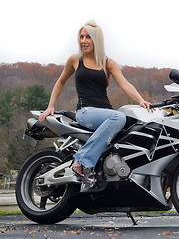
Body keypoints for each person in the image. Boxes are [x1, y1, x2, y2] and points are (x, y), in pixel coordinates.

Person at [39, 20, 152, 190]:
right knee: (119, 117)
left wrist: (141, 100)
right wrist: (50, 106)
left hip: (106, 113)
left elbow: (125, 84)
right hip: (85, 112)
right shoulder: (75, 60)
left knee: (132, 125)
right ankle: (81, 160)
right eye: (81, 37)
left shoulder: (108, 63)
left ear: (97, 40)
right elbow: (60, 82)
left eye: (88, 37)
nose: (84, 41)